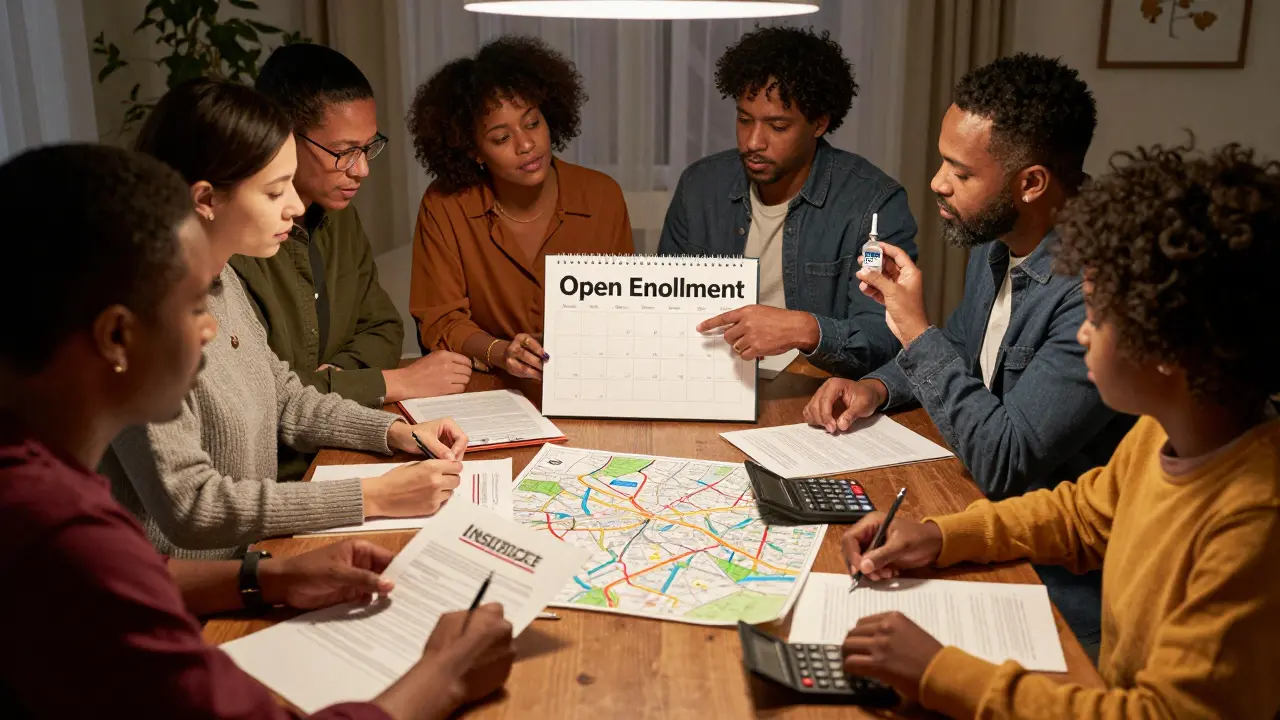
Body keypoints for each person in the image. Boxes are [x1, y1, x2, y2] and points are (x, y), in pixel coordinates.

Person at [0, 143, 516, 719]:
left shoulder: (39, 474)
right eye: (195, 304)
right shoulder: (61, 533)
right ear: (117, 338)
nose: (210, 328)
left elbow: (137, 575)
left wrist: (268, 576)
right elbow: (106, 572)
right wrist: (445, 675)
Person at [836, 140, 1280, 719]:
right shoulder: (1162, 433)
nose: (1082, 335)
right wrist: (941, 537)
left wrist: (940, 671)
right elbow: (1081, 517)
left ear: (1170, 347)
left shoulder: (1251, 521)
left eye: (1098, 317)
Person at [804, 54, 1133, 653]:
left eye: (960, 171)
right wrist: (875, 388)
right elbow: (963, 345)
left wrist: (910, 327)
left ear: (1030, 183)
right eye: (942, 161)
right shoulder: (1003, 240)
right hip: (979, 526)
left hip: (1062, 585)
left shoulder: (1096, 288)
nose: (936, 182)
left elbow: (1004, 461)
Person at [105, 78, 467, 559]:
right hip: (187, 599)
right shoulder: (143, 321)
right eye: (276, 192)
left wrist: (393, 432)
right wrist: (374, 496)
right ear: (206, 200)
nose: (296, 208)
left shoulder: (221, 281)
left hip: (255, 559)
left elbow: (285, 398)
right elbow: (191, 506)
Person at [243, 43, 471, 481]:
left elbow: (384, 326)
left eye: (369, 147)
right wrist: (393, 382)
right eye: (345, 151)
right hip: (280, 474)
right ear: (283, 137)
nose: (361, 169)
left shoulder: (339, 217)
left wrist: (336, 377)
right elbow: (269, 399)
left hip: (345, 442)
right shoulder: (242, 245)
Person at [658, 26, 918, 378]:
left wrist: (803, 330)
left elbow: (887, 336)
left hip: (815, 392)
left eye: (777, 127)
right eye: (744, 119)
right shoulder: (699, 187)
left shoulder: (873, 203)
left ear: (819, 123)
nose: (753, 142)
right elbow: (662, 310)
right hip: (709, 382)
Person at [408, 35, 634, 382]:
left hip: (588, 382)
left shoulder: (602, 196)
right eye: (501, 138)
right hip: (487, 389)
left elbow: (623, 310)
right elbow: (441, 320)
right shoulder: (445, 206)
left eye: (532, 123)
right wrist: (502, 352)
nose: (527, 144)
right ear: (473, 151)